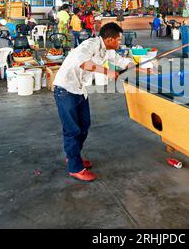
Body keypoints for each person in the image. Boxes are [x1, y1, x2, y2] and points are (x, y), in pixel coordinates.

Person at [53, 23, 144, 182]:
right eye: (118, 40)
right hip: (66, 89)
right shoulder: (90, 44)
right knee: (72, 130)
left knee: (84, 126)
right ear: (109, 39)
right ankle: (75, 167)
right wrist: (106, 71)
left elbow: (121, 61)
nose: (119, 43)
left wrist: (134, 66)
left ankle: (73, 156)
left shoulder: (107, 50)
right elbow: (82, 63)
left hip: (80, 90)